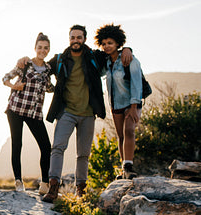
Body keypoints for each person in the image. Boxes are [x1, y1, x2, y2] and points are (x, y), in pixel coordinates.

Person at [19, 25, 132, 203]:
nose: (75, 40)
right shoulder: (60, 59)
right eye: (73, 37)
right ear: (69, 39)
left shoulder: (95, 57)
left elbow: (113, 52)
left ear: (84, 39)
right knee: (57, 148)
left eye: (79, 37)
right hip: (66, 112)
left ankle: (81, 191)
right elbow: (40, 65)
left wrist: (127, 49)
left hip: (88, 113)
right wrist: (25, 59)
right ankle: (53, 187)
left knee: (83, 154)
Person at [2, 32, 54, 194]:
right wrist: (14, 86)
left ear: (48, 50)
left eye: (45, 48)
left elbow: (49, 87)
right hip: (16, 109)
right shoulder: (25, 64)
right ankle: (18, 182)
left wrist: (60, 87)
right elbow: (5, 78)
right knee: (17, 144)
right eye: (40, 47)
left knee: (46, 147)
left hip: (34, 113)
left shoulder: (48, 70)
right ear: (35, 48)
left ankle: (44, 184)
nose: (42, 50)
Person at [95, 24, 142, 179]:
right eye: (104, 43)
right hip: (115, 105)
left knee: (129, 131)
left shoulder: (129, 59)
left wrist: (134, 106)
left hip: (131, 103)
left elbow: (137, 83)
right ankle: (124, 169)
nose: (107, 46)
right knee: (120, 136)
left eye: (110, 43)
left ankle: (129, 166)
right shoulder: (107, 63)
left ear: (117, 43)